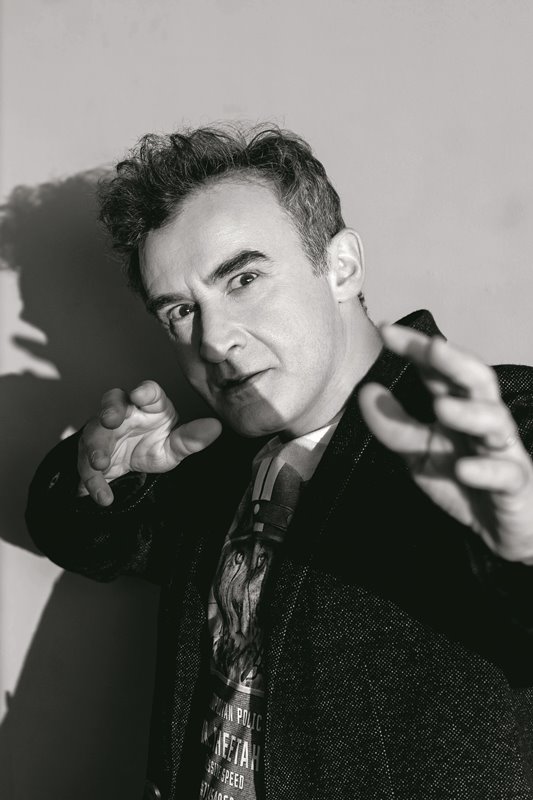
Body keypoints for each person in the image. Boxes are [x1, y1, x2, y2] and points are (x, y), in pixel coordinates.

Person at [26, 125, 533, 800]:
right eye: (181, 311)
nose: (214, 340)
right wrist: (103, 476)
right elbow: (87, 544)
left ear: (341, 266)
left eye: (243, 278)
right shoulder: (215, 457)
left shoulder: (490, 425)